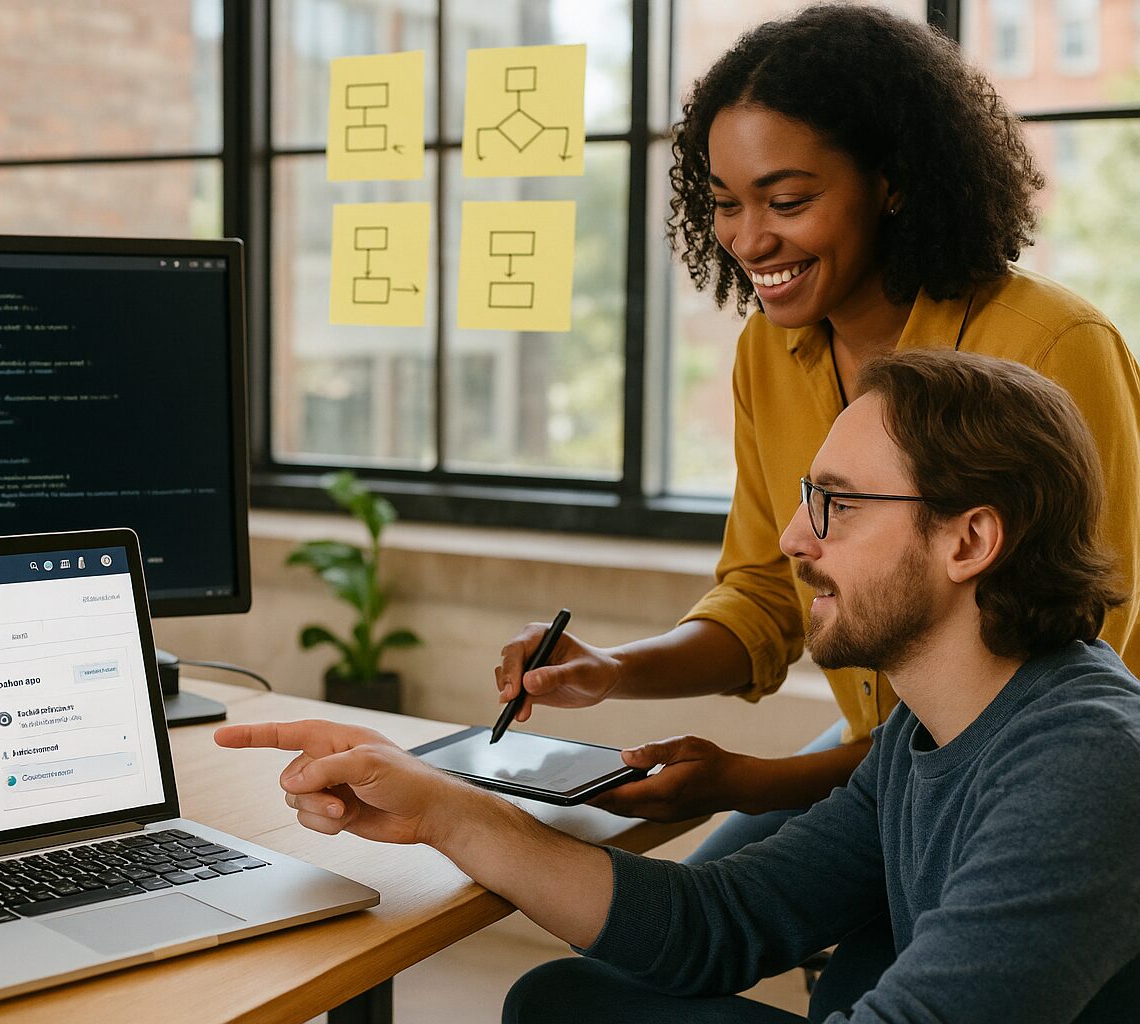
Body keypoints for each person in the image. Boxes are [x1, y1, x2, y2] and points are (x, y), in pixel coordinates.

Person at [217, 350, 1140, 1022]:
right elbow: (725, 922)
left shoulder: (1086, 766)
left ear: (969, 541)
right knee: (565, 1002)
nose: (794, 539)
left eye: (838, 505)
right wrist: (446, 811)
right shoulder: (926, 730)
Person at [492, 4, 1140, 856]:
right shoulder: (768, 351)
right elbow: (768, 594)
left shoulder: (1051, 347)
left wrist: (755, 782)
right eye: (724, 203)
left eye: (788, 200)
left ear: (892, 181)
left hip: (1040, 785)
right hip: (872, 761)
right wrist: (613, 670)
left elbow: (1057, 676)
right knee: (687, 916)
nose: (749, 239)